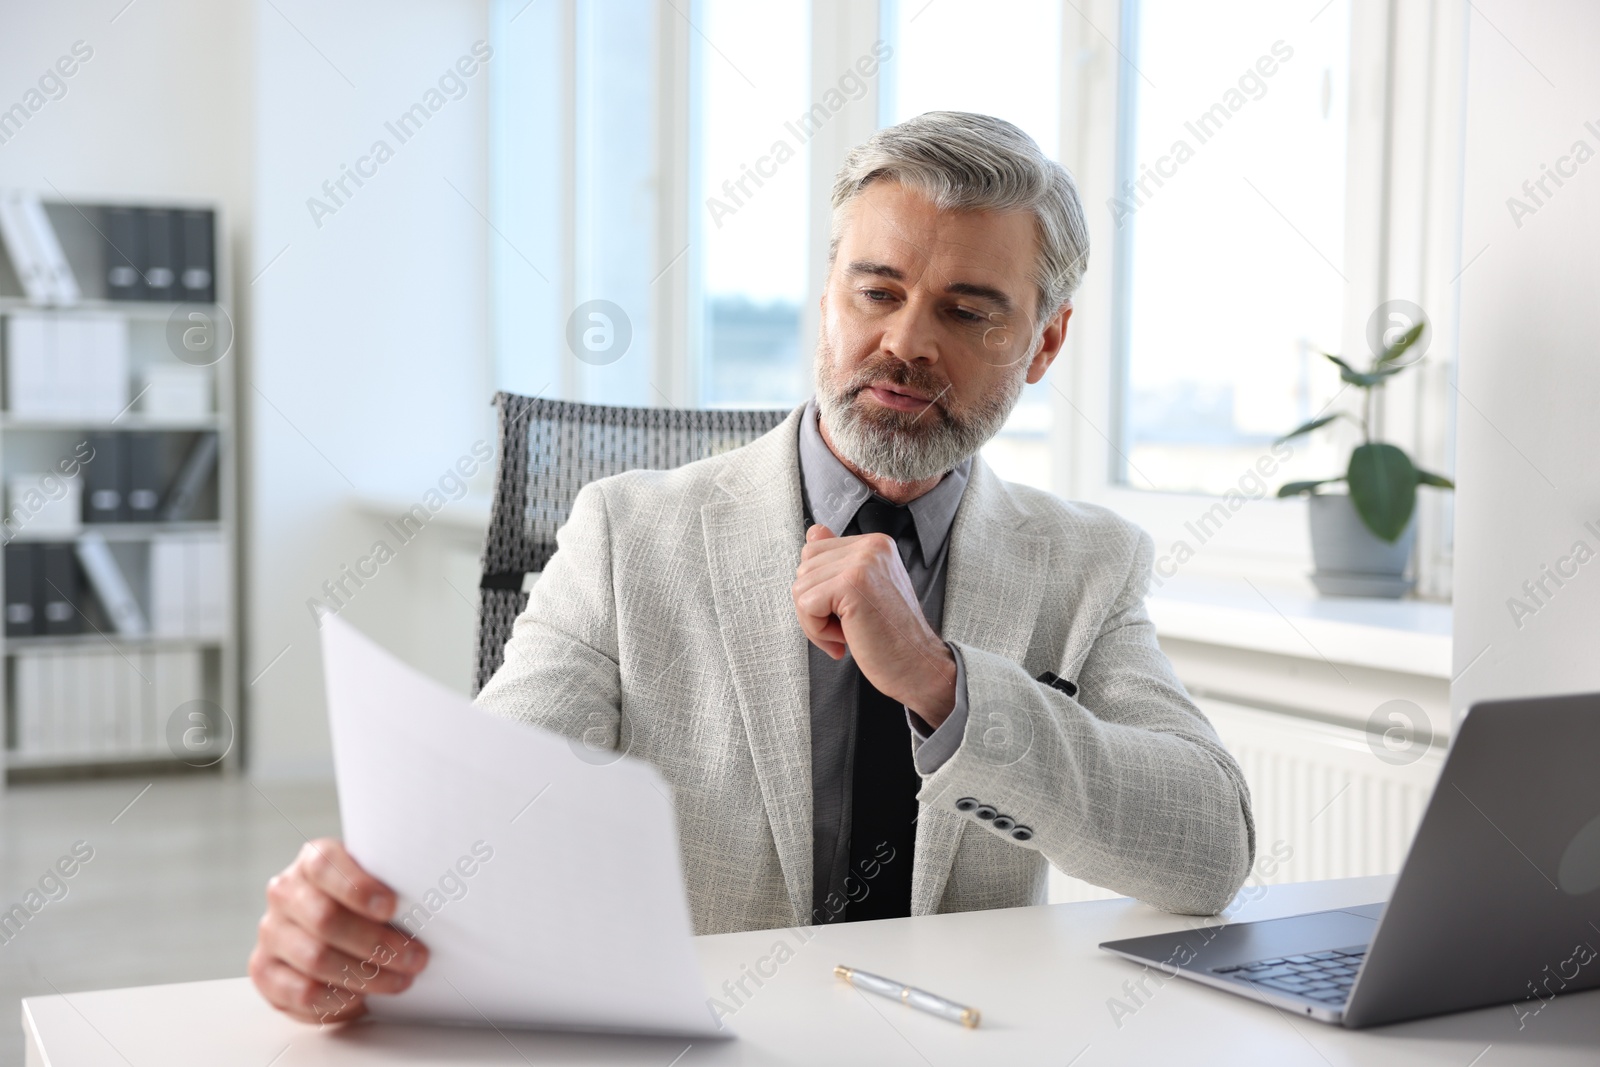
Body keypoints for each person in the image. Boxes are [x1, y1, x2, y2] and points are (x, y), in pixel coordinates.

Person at [249, 111, 1255, 1024]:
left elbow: (1208, 848)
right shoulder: (623, 533)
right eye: (878, 290)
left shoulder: (1087, 563)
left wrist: (943, 686)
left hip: (955, 1038)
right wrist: (350, 927)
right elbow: (489, 825)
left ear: (1044, 342)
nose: (904, 342)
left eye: (967, 311)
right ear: (826, 297)